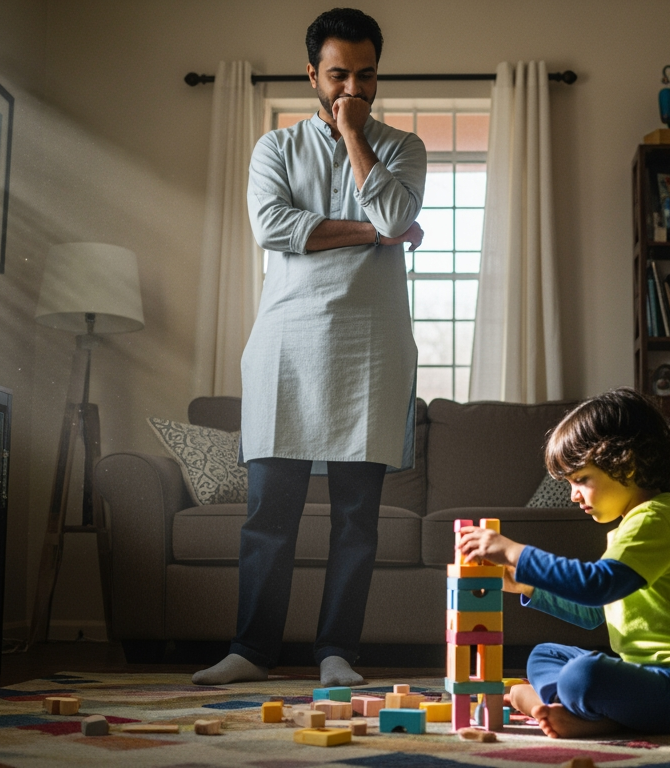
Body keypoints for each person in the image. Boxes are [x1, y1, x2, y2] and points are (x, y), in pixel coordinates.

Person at [193, 8, 426, 688]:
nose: (351, 88)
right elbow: (272, 226)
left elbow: (396, 215)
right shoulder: (274, 149)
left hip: (372, 349)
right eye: (337, 76)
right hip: (286, 343)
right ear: (311, 75)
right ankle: (252, 649)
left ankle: (336, 653)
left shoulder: (403, 147)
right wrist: (375, 235)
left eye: (365, 75)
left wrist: (356, 139)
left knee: (357, 519)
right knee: (271, 513)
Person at [456, 388, 670, 736]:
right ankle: (587, 713)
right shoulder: (632, 525)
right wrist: (527, 584)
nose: (573, 495)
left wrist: (514, 552)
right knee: (543, 655)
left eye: (580, 480)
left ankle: (577, 714)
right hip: (650, 682)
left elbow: (596, 586)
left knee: (584, 675)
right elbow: (595, 612)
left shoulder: (657, 520)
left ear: (626, 462)